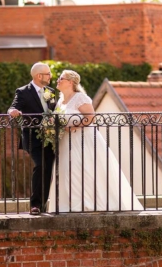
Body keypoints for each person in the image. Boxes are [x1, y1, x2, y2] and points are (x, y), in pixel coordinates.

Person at [47, 70, 143, 213]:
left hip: (82, 140)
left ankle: (88, 204)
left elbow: (91, 117)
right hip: (66, 142)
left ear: (71, 82)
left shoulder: (80, 98)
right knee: (67, 171)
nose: (58, 80)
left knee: (84, 169)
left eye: (61, 78)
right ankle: (70, 204)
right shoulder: (60, 100)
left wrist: (73, 127)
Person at [8, 62, 57, 215]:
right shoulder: (23, 91)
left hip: (50, 138)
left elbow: (55, 111)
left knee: (48, 169)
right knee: (41, 165)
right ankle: (35, 205)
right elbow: (13, 106)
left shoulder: (51, 91)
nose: (50, 76)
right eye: (48, 74)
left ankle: (43, 204)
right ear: (39, 76)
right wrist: (13, 111)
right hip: (32, 138)